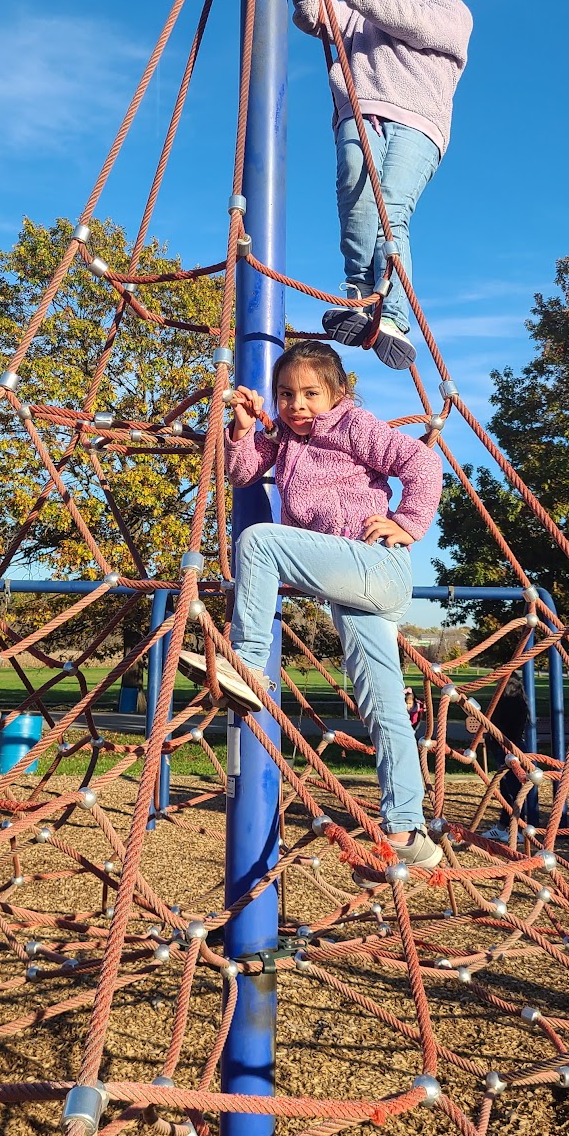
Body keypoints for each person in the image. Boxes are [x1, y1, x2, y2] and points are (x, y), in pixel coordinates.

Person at [178, 341, 444, 868]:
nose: (297, 405)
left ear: (338, 393)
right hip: (350, 584)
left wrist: (409, 523)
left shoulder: (354, 425)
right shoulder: (286, 439)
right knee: (382, 705)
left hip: (377, 565)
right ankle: (410, 833)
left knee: (259, 540)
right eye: (285, 395)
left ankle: (247, 664)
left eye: (310, 394)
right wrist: (246, 427)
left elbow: (421, 462)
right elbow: (243, 472)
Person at [290, 0, 473, 371]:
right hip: (361, 111)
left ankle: (392, 314)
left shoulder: (451, 14)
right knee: (356, 194)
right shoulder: (360, 14)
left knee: (391, 207)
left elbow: (406, 21)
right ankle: (359, 296)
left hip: (416, 122)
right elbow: (312, 13)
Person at [482, 674, 534, 843]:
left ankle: (518, 827)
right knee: (506, 790)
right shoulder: (519, 703)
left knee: (514, 790)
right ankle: (503, 825)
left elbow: (502, 727)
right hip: (506, 747)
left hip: (510, 749)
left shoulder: (509, 705)